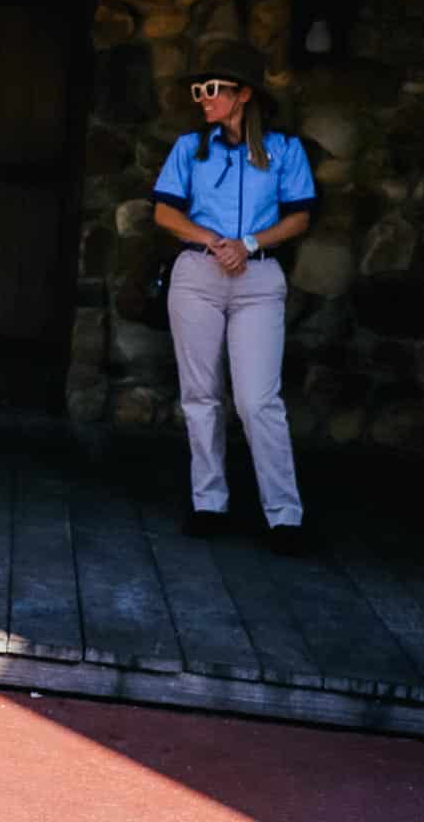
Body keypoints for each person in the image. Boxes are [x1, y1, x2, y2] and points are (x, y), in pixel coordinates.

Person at [151, 40, 317, 555]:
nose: (202, 98)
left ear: (243, 94)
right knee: (200, 396)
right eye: (199, 90)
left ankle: (285, 515)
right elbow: (164, 213)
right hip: (198, 274)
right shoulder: (190, 148)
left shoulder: (286, 150)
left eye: (212, 89)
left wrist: (247, 244)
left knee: (256, 400)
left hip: (258, 279)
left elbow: (299, 217)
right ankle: (209, 502)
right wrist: (213, 242)